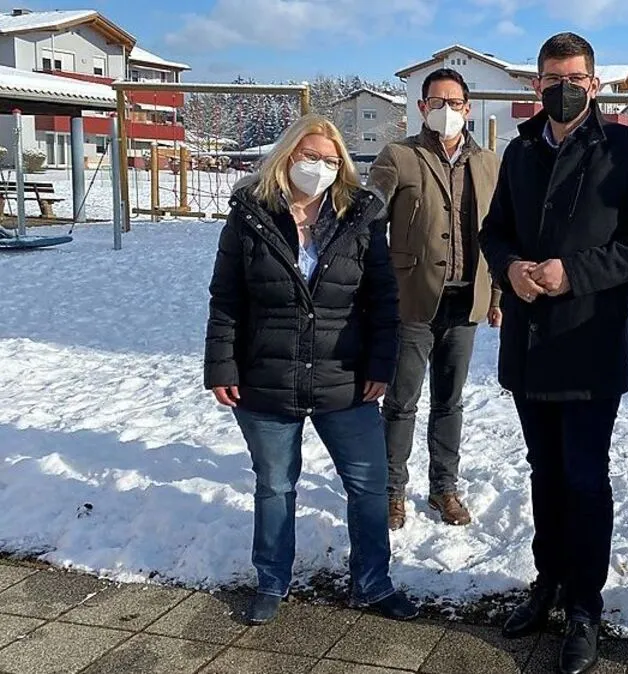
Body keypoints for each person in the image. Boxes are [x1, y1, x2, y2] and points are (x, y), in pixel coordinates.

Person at [479, 31, 628, 674]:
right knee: (544, 472)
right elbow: (494, 231)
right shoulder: (520, 150)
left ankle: (585, 606)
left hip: (589, 340)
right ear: (536, 84)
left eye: (575, 80)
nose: (563, 90)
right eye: (551, 79)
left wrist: (577, 273)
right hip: (529, 344)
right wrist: (508, 268)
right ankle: (549, 581)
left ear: (595, 85)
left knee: (586, 478)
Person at [204, 114, 420, 626]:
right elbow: (226, 297)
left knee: (368, 484)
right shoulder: (251, 213)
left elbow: (383, 299)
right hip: (266, 375)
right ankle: (271, 580)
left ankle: (373, 582)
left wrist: (381, 364)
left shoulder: (360, 215)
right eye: (310, 157)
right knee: (275, 485)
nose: (319, 168)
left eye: (330, 160)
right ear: (287, 157)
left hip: (345, 376)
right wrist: (221, 366)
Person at [368, 68, 503, 530]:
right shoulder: (399, 156)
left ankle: (444, 486)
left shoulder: (489, 163)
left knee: (450, 401)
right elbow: (372, 218)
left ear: (468, 107)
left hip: (466, 302)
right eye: (437, 102)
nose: (447, 110)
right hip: (412, 300)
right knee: (401, 401)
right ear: (423, 107)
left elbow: (500, 234)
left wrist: (497, 294)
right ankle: (391, 490)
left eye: (455, 102)